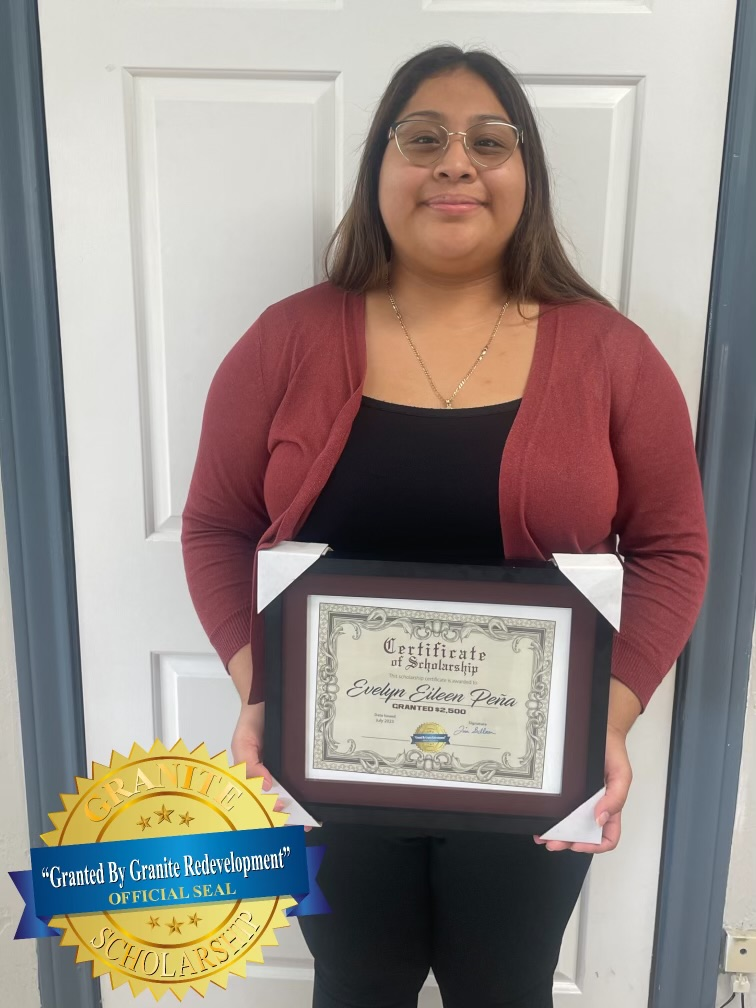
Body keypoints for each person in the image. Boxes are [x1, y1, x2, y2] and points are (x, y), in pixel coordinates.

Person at [181, 44, 708, 1008]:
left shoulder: (611, 354)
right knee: (355, 981)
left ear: (526, 174)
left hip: (536, 767)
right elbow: (217, 524)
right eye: (422, 137)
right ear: (380, 169)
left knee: (503, 986)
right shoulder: (284, 340)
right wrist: (261, 692)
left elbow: (674, 546)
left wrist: (612, 715)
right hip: (326, 763)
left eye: (488, 141)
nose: (455, 162)